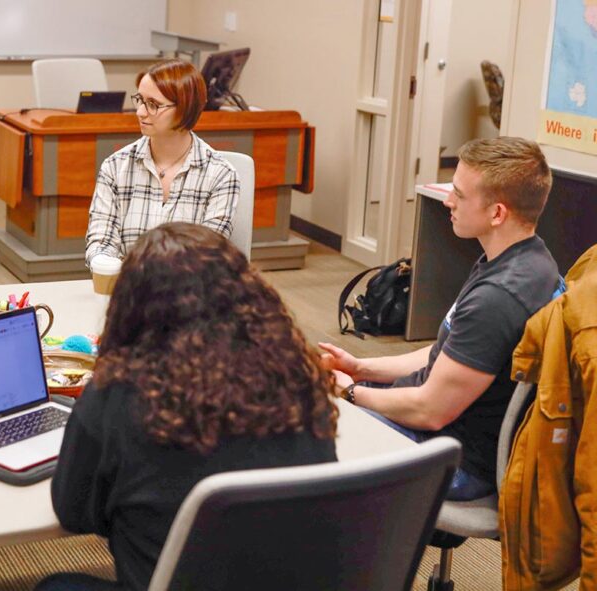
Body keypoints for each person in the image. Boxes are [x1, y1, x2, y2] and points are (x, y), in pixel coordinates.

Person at [42, 222, 338, 591]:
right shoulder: (298, 376)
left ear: (132, 308)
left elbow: (74, 512)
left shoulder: (115, 396)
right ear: (247, 293)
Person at [321, 136, 560, 501]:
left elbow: (429, 410)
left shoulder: (498, 298)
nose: (448, 201)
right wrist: (361, 368)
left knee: (300, 433)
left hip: (452, 459)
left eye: (459, 195)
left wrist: (349, 392)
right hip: (440, 425)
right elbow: (446, 351)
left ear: (497, 213)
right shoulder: (527, 259)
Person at [84, 60, 240, 268]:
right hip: (128, 289)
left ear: (185, 108)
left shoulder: (221, 175)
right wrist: (106, 265)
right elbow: (101, 242)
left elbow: (207, 255)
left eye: (153, 104)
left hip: (190, 293)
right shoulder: (115, 166)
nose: (139, 112)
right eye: (139, 100)